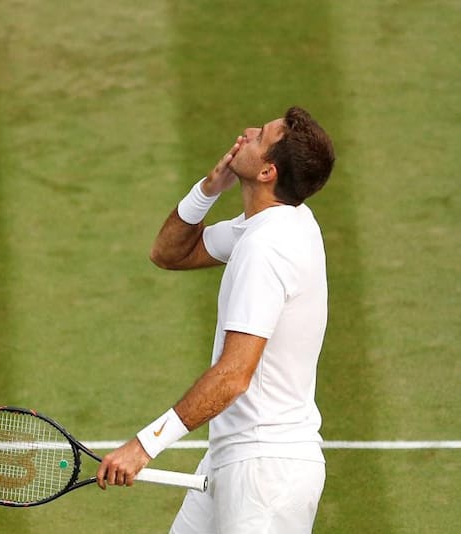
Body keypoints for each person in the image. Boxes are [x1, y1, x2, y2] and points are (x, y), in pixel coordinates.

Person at [96, 106, 336, 533]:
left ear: (267, 173)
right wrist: (208, 189)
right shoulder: (278, 222)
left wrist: (144, 446)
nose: (246, 132)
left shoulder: (268, 251)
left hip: (265, 479)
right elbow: (169, 253)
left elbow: (232, 376)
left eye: (260, 136)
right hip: (235, 459)